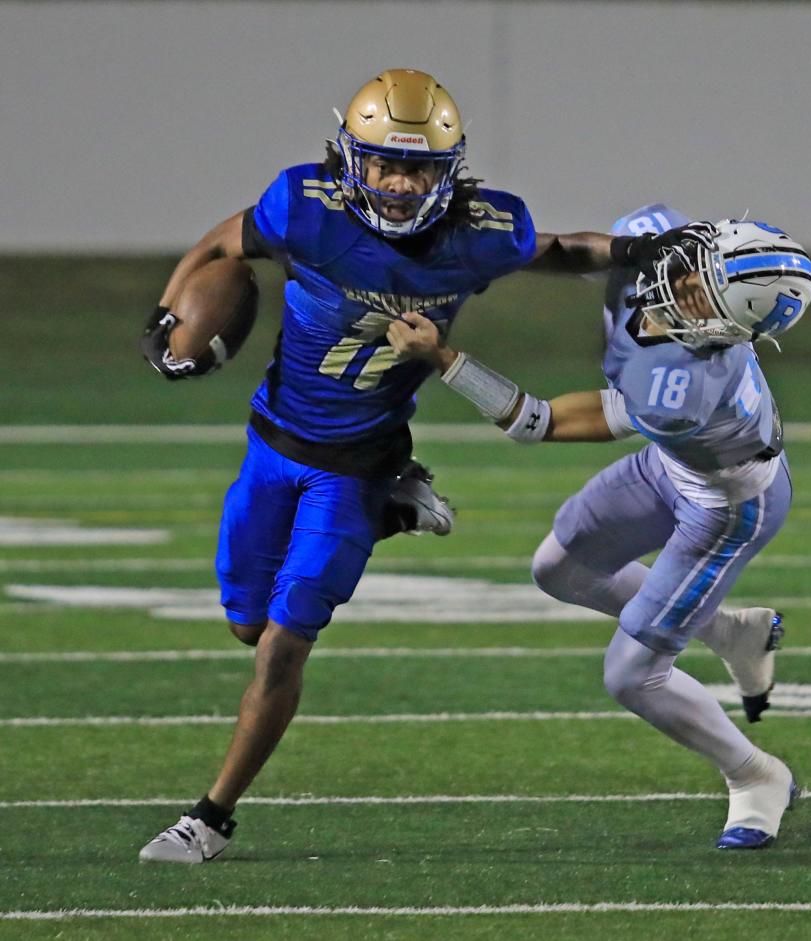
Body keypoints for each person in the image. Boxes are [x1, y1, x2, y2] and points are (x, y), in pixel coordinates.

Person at [137, 71, 713, 864]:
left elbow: (555, 250)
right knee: (245, 623)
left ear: (451, 171)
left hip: (355, 463)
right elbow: (219, 245)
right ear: (351, 160)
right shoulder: (304, 209)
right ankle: (395, 510)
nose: (402, 184)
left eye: (420, 169)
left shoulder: (479, 231)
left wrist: (636, 249)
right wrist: (172, 323)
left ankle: (209, 817)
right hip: (272, 445)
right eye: (384, 165)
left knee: (282, 646)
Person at [386, 210, 811, 849]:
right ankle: (728, 631)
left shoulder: (683, 386)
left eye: (709, 290)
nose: (688, 280)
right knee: (559, 568)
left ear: (726, 327)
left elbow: (539, 422)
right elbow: (571, 250)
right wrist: (477, 253)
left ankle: (756, 774)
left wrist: (446, 361)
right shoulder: (664, 243)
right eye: (703, 262)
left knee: (632, 674)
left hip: (725, 505)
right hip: (670, 465)